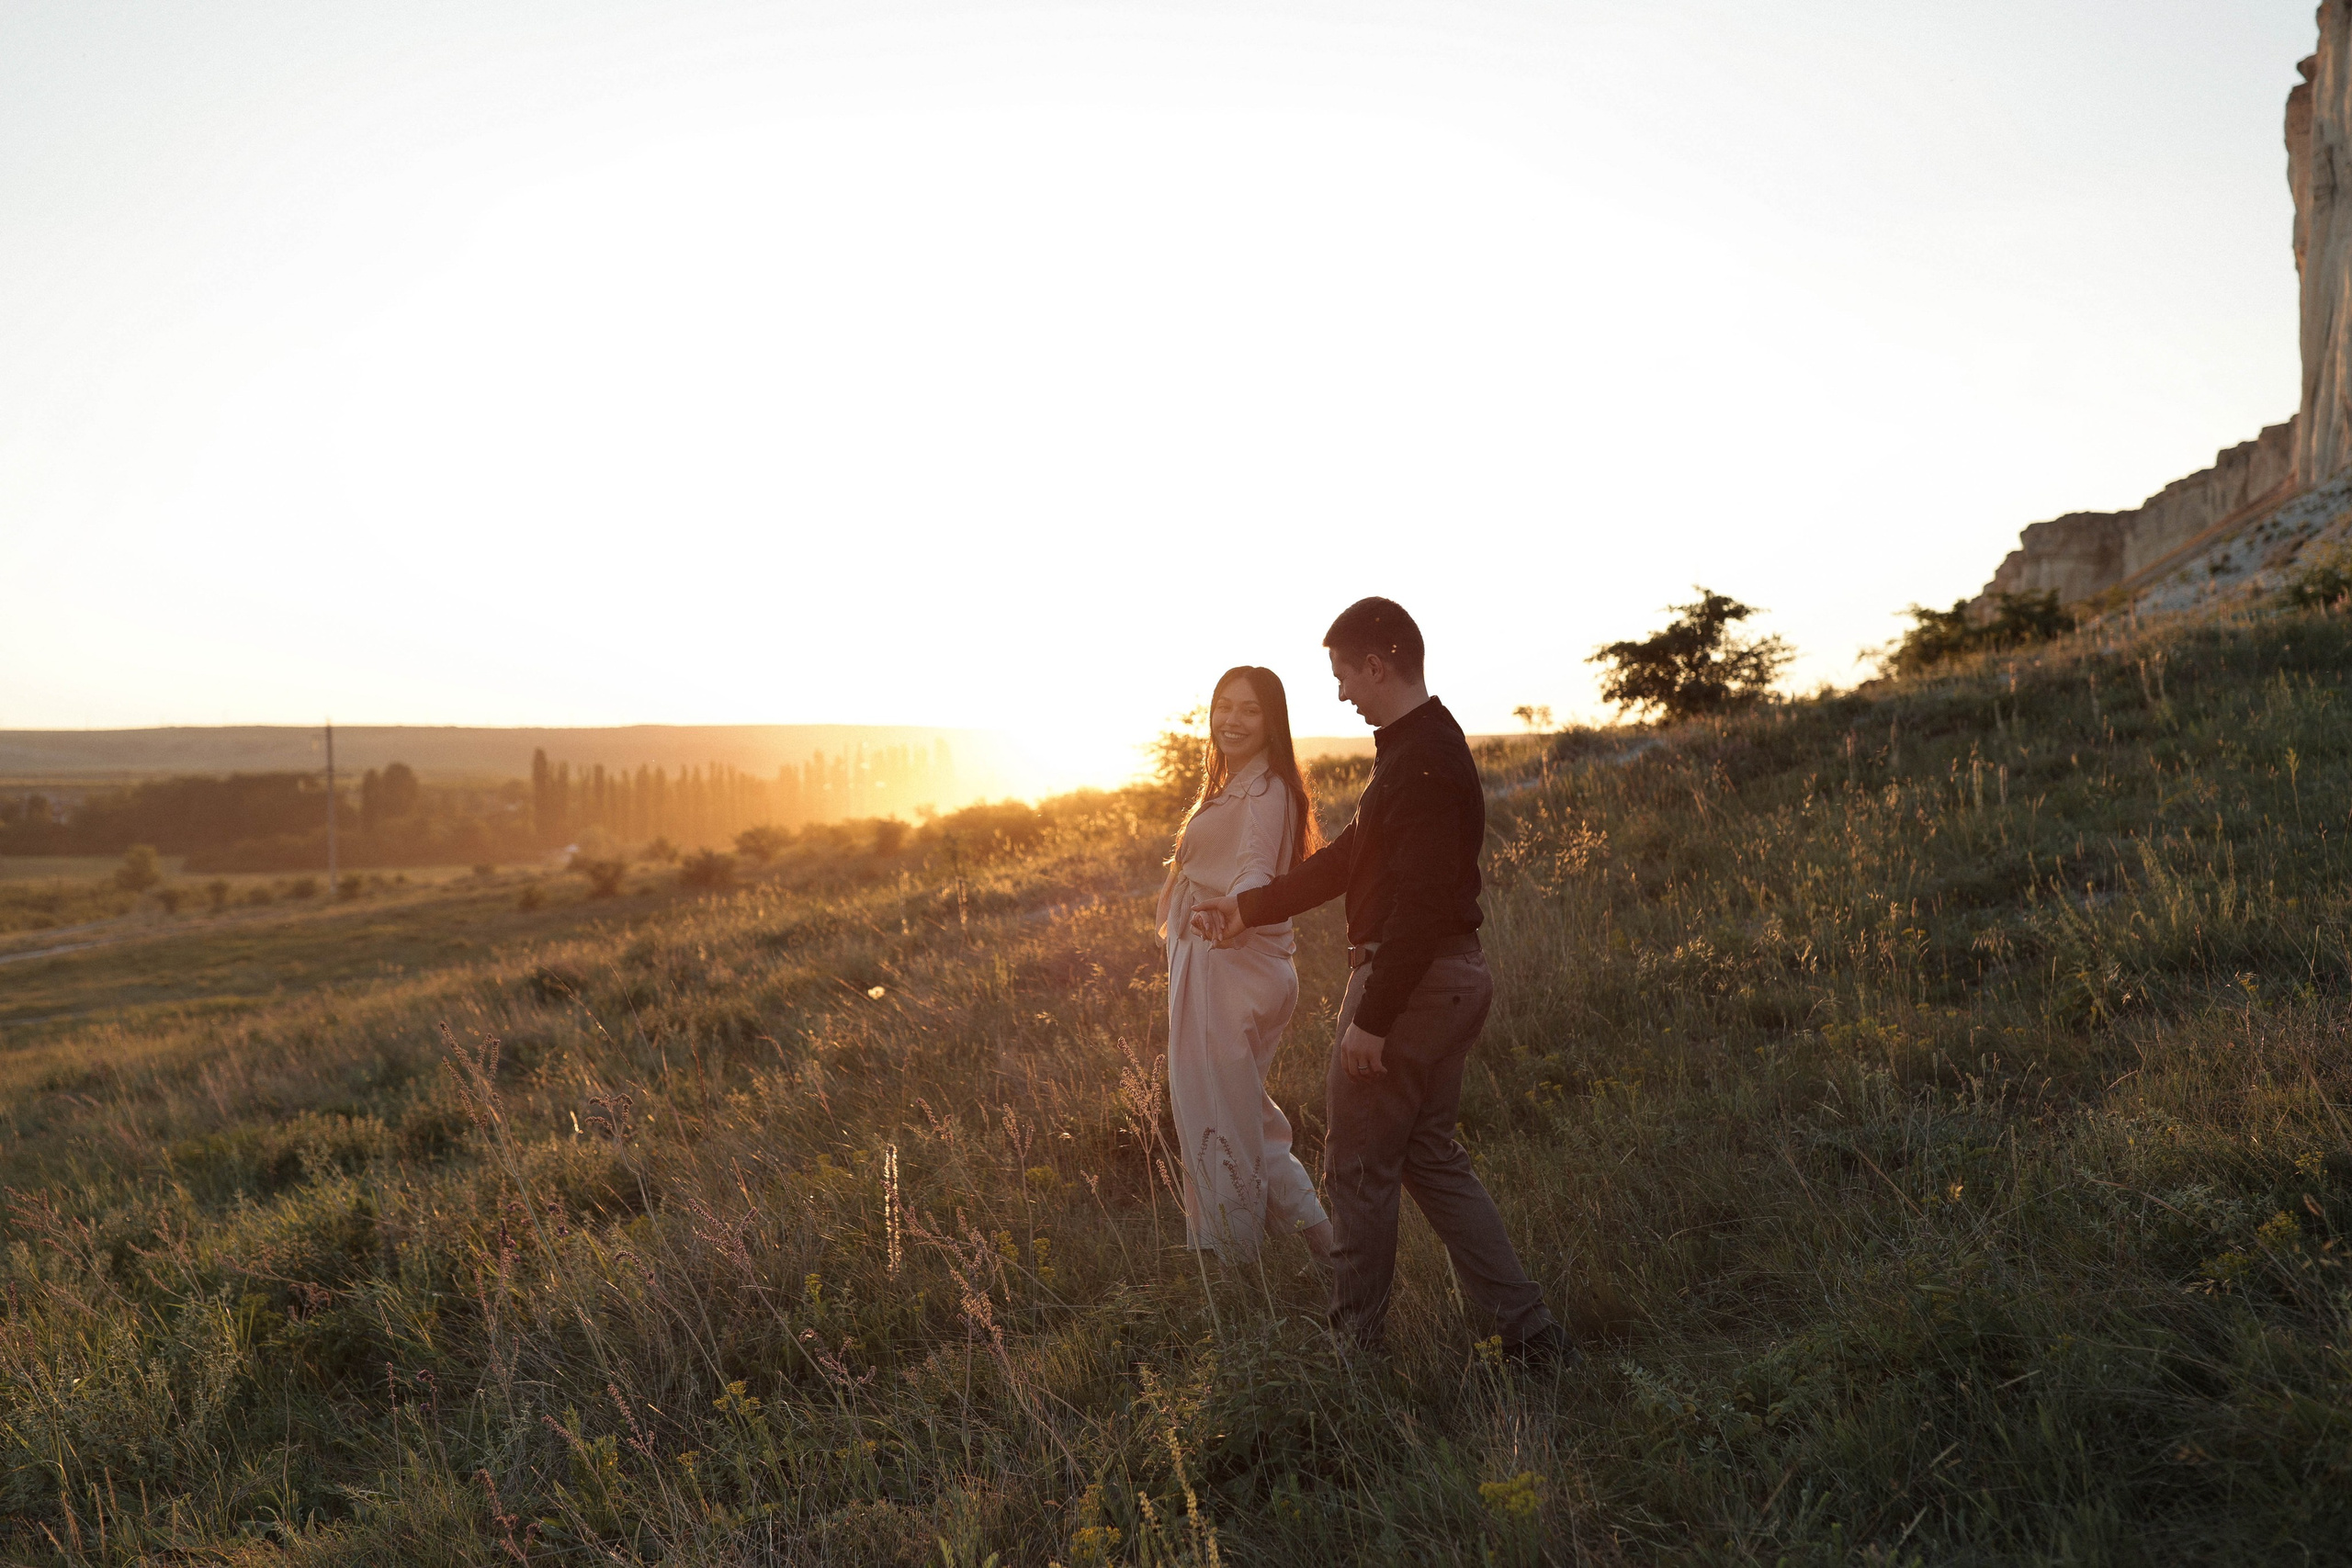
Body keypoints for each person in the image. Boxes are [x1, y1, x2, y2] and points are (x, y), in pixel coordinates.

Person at [1193, 599, 1572, 1362]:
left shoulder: (1423, 759)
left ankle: (1356, 1354)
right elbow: (1346, 859)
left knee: (1357, 1169)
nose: (1340, 695)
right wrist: (1248, 906)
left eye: (1343, 675)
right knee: (1430, 1158)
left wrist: (1375, 1017)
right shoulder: (1415, 748)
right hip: (1448, 981)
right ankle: (1530, 1333)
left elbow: (1426, 903)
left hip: (1414, 984)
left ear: (1378, 663)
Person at [1155, 665, 1338, 1267]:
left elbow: (1257, 868)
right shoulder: (1240, 781)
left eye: (1249, 710)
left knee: (1219, 1115)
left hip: (1228, 966)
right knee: (1244, 1114)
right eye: (1223, 706)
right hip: (1221, 963)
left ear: (1272, 721)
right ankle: (1323, 1243)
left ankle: (1235, 1260)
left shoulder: (1265, 791)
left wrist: (1238, 905)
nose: (1231, 719)